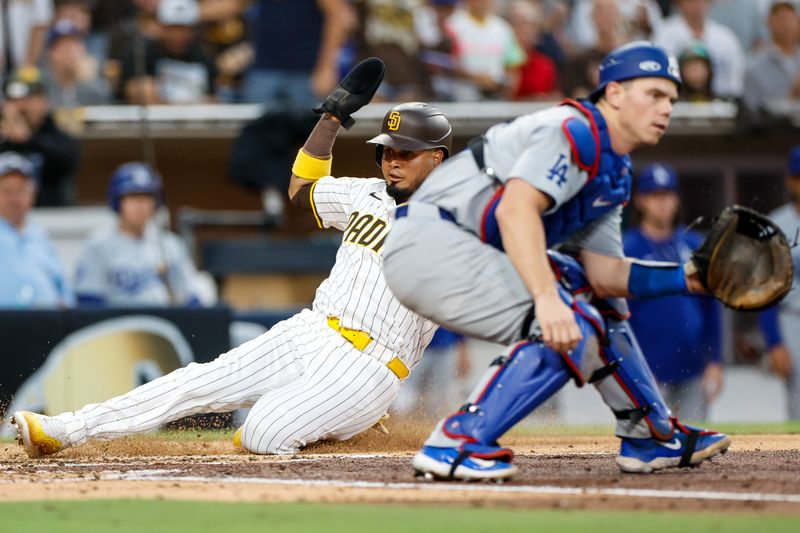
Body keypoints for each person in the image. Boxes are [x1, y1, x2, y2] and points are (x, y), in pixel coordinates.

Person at [11, 61, 453, 458]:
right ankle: (65, 429)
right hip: (311, 330)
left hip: (369, 365)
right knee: (195, 382)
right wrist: (332, 118)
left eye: (406, 153)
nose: (393, 162)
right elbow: (301, 189)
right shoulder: (367, 193)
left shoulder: (453, 223)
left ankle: (340, 422)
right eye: (388, 151)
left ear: (436, 158)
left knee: (263, 433)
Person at [382, 41, 731, 480]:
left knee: (597, 302)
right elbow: (515, 209)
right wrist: (547, 300)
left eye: (672, 100)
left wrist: (687, 278)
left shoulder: (614, 171)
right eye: (655, 94)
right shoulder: (573, 130)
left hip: (463, 247)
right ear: (616, 93)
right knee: (569, 319)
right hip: (429, 241)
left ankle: (650, 435)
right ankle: (457, 441)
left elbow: (605, 276)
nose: (666, 108)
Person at [623, 163, 723, 422]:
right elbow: (621, 312)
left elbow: (712, 307)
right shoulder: (627, 248)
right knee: (648, 440)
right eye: (655, 196)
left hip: (693, 364)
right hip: (646, 369)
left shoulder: (694, 244)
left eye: (667, 195)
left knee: (694, 443)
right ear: (641, 200)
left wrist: (717, 360)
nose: (662, 203)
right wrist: (633, 365)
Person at [73, 162, 204, 308]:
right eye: (133, 197)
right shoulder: (98, 245)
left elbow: (192, 298)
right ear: (118, 201)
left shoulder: (171, 244)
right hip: (119, 327)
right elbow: (88, 301)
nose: (140, 205)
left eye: (146, 197)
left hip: (165, 326)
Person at [759, 145, 800, 420]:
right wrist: (774, 341)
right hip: (792, 320)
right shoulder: (776, 224)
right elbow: (764, 289)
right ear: (790, 180)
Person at [0, 67, 81, 207]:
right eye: (15, 100)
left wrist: (28, 140)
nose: (22, 106)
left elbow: (67, 163)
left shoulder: (56, 132)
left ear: (45, 102)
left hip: (51, 216)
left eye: (31, 99)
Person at [0, 151, 72, 308]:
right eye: (6, 191)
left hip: (45, 325)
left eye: (20, 190)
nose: (14, 198)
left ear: (32, 194)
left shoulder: (40, 236)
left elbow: (64, 291)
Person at [119, 0, 218, 104]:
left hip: (196, 118)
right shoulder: (143, 53)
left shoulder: (204, 56)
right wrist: (190, 107)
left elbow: (213, 99)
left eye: (184, 28)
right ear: (161, 27)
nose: (179, 34)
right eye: (173, 28)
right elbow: (142, 95)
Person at [653, 0, 744, 100]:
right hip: (674, 102)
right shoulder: (663, 35)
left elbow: (735, 83)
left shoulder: (726, 38)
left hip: (720, 105)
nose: (698, 4)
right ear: (679, 3)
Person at [742, 0, 800, 112]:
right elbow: (754, 113)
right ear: (769, 21)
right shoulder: (754, 66)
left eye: (791, 18)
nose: (787, 24)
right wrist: (792, 96)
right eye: (782, 18)